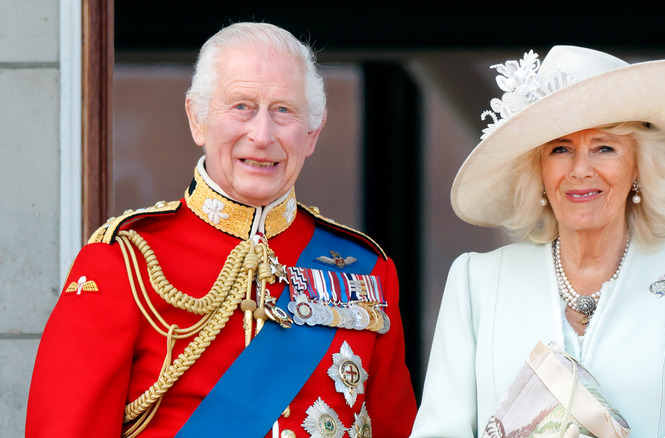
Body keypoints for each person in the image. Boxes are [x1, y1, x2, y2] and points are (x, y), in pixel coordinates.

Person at [27, 22, 416, 438]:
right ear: (197, 119)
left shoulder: (364, 272)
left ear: (312, 134)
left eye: (283, 110)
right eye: (241, 106)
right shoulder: (127, 262)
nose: (262, 135)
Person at [410, 46, 665, 437]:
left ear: (639, 165)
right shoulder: (477, 281)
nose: (580, 170)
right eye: (560, 149)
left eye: (604, 147)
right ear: (538, 169)